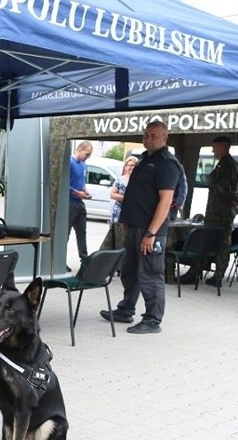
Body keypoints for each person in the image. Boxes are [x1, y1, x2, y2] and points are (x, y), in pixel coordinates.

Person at [99, 120, 178, 335]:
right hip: (134, 227)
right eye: (146, 135)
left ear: (165, 137)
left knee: (150, 275)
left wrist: (151, 232)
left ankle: (152, 319)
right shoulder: (144, 160)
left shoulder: (167, 164)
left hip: (150, 231)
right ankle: (126, 309)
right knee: (130, 271)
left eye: (154, 135)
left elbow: (165, 201)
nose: (148, 139)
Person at [179, 135, 238, 286]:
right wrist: (236, 199)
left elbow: (222, 187)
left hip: (219, 212)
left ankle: (197, 274)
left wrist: (232, 199)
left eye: (214, 147)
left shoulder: (225, 165)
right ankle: (213, 275)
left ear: (222, 146)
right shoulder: (234, 164)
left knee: (211, 242)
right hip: (226, 211)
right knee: (221, 243)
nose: (213, 150)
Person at [99, 155, 137, 250]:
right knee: (119, 237)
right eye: (129, 165)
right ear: (125, 166)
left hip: (134, 213)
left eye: (134, 165)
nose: (131, 167)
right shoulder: (120, 180)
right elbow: (112, 194)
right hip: (119, 212)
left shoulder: (140, 180)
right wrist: (125, 198)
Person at [67, 141, 93, 261]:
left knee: (82, 232)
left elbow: (81, 183)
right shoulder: (70, 163)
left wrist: (85, 191)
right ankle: (61, 260)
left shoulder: (83, 164)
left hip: (80, 203)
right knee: (65, 233)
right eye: (87, 154)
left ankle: (84, 258)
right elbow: (65, 184)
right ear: (79, 149)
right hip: (70, 202)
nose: (88, 157)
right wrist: (77, 193)